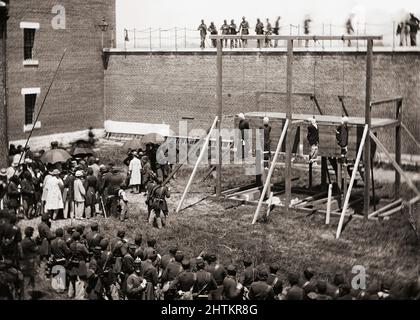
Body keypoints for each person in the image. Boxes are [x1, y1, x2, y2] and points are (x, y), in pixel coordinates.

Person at [20, 226, 39, 300]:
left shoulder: (24, 240)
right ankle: (28, 296)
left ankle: (29, 294)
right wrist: (36, 242)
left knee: (28, 279)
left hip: (24, 262)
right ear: (30, 233)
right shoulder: (29, 242)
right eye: (32, 232)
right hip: (29, 262)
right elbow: (36, 249)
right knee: (28, 279)